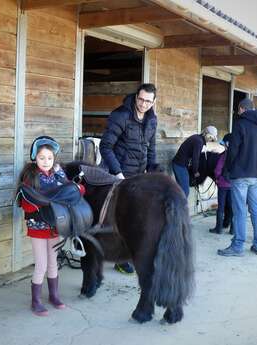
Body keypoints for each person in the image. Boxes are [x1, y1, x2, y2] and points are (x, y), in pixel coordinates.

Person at [18, 136, 85, 316]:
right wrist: (43, 202)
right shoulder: (31, 178)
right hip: (38, 227)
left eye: (49, 157)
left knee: (53, 262)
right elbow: (24, 203)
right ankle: (36, 300)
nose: (46, 161)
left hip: (56, 225)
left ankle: (54, 295)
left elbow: (71, 191)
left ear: (54, 158)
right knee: (41, 264)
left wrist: (77, 189)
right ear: (35, 158)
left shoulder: (59, 174)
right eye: (41, 158)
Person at [99, 83, 158, 275]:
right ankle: (118, 257)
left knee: (137, 217)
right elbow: (105, 147)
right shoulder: (121, 116)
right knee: (118, 219)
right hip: (120, 174)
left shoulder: (152, 119)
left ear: (153, 101)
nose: (143, 104)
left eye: (148, 101)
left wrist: (152, 169)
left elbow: (151, 149)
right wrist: (118, 173)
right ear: (136, 97)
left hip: (139, 175)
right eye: (141, 99)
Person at [218, 98, 257, 257]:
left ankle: (238, 246)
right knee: (256, 209)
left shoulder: (240, 123)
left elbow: (233, 151)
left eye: (238, 110)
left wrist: (228, 169)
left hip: (240, 175)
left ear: (242, 109)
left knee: (239, 211)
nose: (238, 113)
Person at [172, 126, 218, 197]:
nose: (210, 140)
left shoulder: (197, 138)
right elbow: (195, 158)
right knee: (185, 191)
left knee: (180, 190)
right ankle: (181, 207)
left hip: (180, 164)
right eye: (211, 138)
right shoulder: (199, 141)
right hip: (180, 165)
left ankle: (175, 206)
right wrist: (195, 171)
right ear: (207, 135)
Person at [209, 133, 232, 234]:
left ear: (227, 143)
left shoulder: (224, 155)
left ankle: (218, 229)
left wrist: (217, 178)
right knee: (232, 207)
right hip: (233, 185)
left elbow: (218, 169)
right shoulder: (238, 154)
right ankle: (233, 230)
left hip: (223, 184)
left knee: (221, 207)